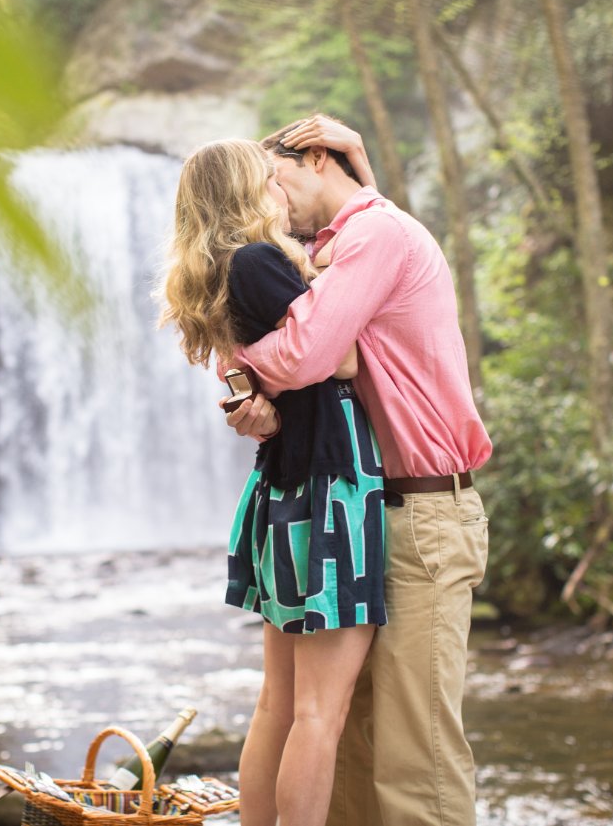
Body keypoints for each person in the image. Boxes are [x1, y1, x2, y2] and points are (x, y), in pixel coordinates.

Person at [227, 115, 492, 826]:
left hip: (421, 514)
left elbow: (310, 352)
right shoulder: (328, 246)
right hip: (361, 512)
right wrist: (251, 399)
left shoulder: (376, 233)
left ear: (316, 157)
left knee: (415, 762)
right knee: (348, 752)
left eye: (276, 179)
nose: (269, 201)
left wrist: (239, 371)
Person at [159, 138, 390, 826]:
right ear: (240, 193)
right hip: (329, 491)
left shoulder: (226, 270)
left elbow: (253, 375)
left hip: (289, 489)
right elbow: (341, 356)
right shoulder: (259, 261)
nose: (280, 193)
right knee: (318, 710)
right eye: (267, 181)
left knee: (281, 703)